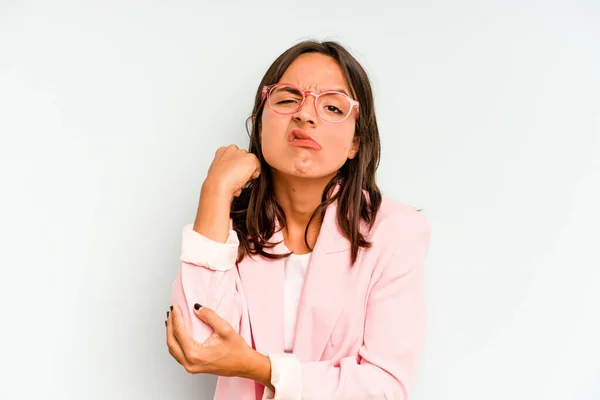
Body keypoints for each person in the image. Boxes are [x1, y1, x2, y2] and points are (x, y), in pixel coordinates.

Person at [165, 40, 431, 400]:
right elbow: (195, 345)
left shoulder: (394, 232)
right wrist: (215, 190)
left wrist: (260, 368)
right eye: (288, 99)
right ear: (260, 123)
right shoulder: (225, 226)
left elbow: (384, 387)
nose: (305, 115)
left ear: (356, 142)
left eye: (332, 107)